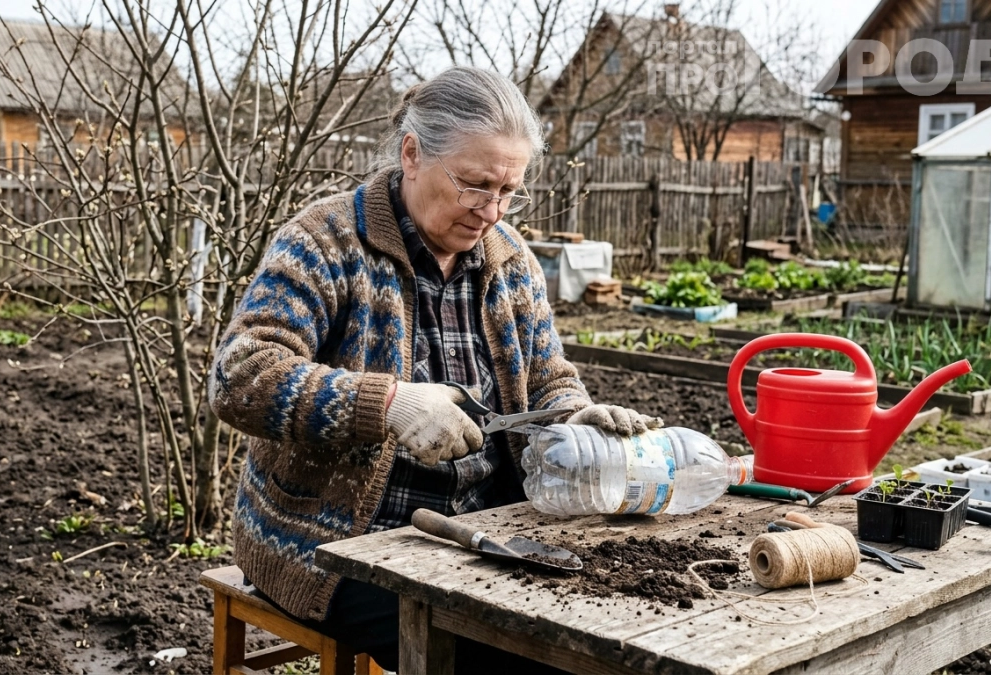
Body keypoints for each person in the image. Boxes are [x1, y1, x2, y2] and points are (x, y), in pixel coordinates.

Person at [209, 66, 661, 671]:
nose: (492, 211)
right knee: (504, 651)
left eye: (509, 191)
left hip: (483, 529)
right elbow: (239, 376)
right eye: (475, 185)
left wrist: (577, 416)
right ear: (412, 154)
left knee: (605, 630)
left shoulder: (509, 259)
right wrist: (389, 404)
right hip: (333, 542)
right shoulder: (323, 242)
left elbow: (550, 377)